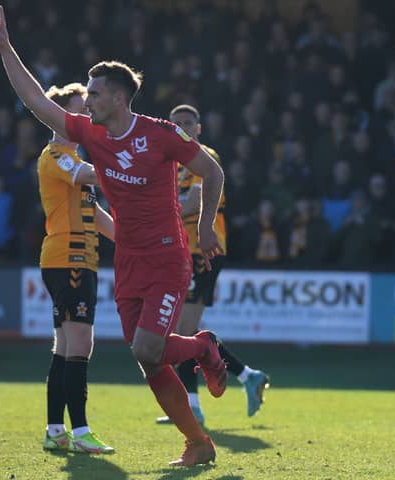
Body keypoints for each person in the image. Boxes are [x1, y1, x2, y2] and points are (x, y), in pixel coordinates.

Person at [0, 7, 227, 467]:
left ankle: (201, 346)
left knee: (146, 347)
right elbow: (38, 102)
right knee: (149, 361)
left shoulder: (160, 135)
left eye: (94, 93)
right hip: (128, 262)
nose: (87, 100)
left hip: (167, 258)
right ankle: (198, 442)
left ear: (118, 98)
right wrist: (5, 50)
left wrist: (203, 226)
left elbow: (212, 171)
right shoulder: (92, 136)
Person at [156, 104, 269, 426]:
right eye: (175, 123)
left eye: (187, 123)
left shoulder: (204, 158)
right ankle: (246, 376)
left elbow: (193, 203)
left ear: (199, 127)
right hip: (177, 251)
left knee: (183, 331)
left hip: (202, 250)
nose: (181, 127)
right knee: (181, 333)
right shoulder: (168, 161)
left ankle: (194, 406)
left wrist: (155, 213)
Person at [38, 83, 115, 454]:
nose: (87, 115)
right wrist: (128, 165)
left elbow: (96, 214)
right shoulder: (57, 154)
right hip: (67, 259)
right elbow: (87, 176)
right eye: (80, 110)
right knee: (80, 343)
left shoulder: (74, 157)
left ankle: (56, 430)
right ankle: (81, 433)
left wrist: (129, 238)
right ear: (62, 117)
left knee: (66, 345)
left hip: (79, 259)